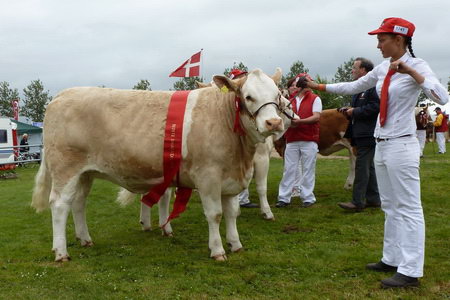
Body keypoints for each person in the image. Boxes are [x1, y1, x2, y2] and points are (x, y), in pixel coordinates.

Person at [306, 17, 448, 288]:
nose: (378, 44)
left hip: (402, 143)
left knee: (408, 208)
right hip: (382, 142)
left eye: (382, 39)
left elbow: (441, 97)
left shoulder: (418, 66)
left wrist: (411, 73)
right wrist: (318, 87)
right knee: (391, 206)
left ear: (399, 39)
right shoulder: (383, 69)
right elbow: (353, 87)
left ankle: (411, 270)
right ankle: (392, 257)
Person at [337, 57, 381, 212]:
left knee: (362, 167)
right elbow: (363, 107)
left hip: (368, 133)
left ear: (363, 70)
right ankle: (374, 199)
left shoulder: (374, 87)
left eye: (354, 68)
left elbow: (377, 106)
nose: (352, 70)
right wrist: (349, 110)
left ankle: (357, 202)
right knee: (369, 166)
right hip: (360, 132)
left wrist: (355, 111)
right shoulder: (359, 89)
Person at [276, 73, 322, 208]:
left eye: (309, 81)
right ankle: (284, 197)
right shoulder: (289, 100)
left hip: (309, 138)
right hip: (292, 138)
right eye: (306, 82)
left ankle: (308, 197)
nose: (308, 84)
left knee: (308, 169)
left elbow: (316, 117)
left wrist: (299, 121)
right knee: (289, 169)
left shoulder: (315, 98)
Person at [229, 68, 259, 208]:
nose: (244, 79)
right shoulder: (230, 95)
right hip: (232, 136)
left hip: (244, 136)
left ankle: (243, 199)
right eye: (241, 77)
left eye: (244, 76)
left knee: (245, 165)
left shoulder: (248, 94)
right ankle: (235, 198)